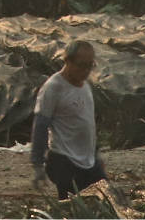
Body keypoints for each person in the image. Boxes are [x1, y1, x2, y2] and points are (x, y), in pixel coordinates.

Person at [31, 40, 107, 200]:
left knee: (105, 197)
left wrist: (95, 154)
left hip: (87, 160)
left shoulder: (85, 85)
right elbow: (41, 125)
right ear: (67, 60)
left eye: (90, 65)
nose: (86, 70)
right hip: (64, 160)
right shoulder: (53, 88)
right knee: (72, 207)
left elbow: (87, 122)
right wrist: (37, 165)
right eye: (81, 65)